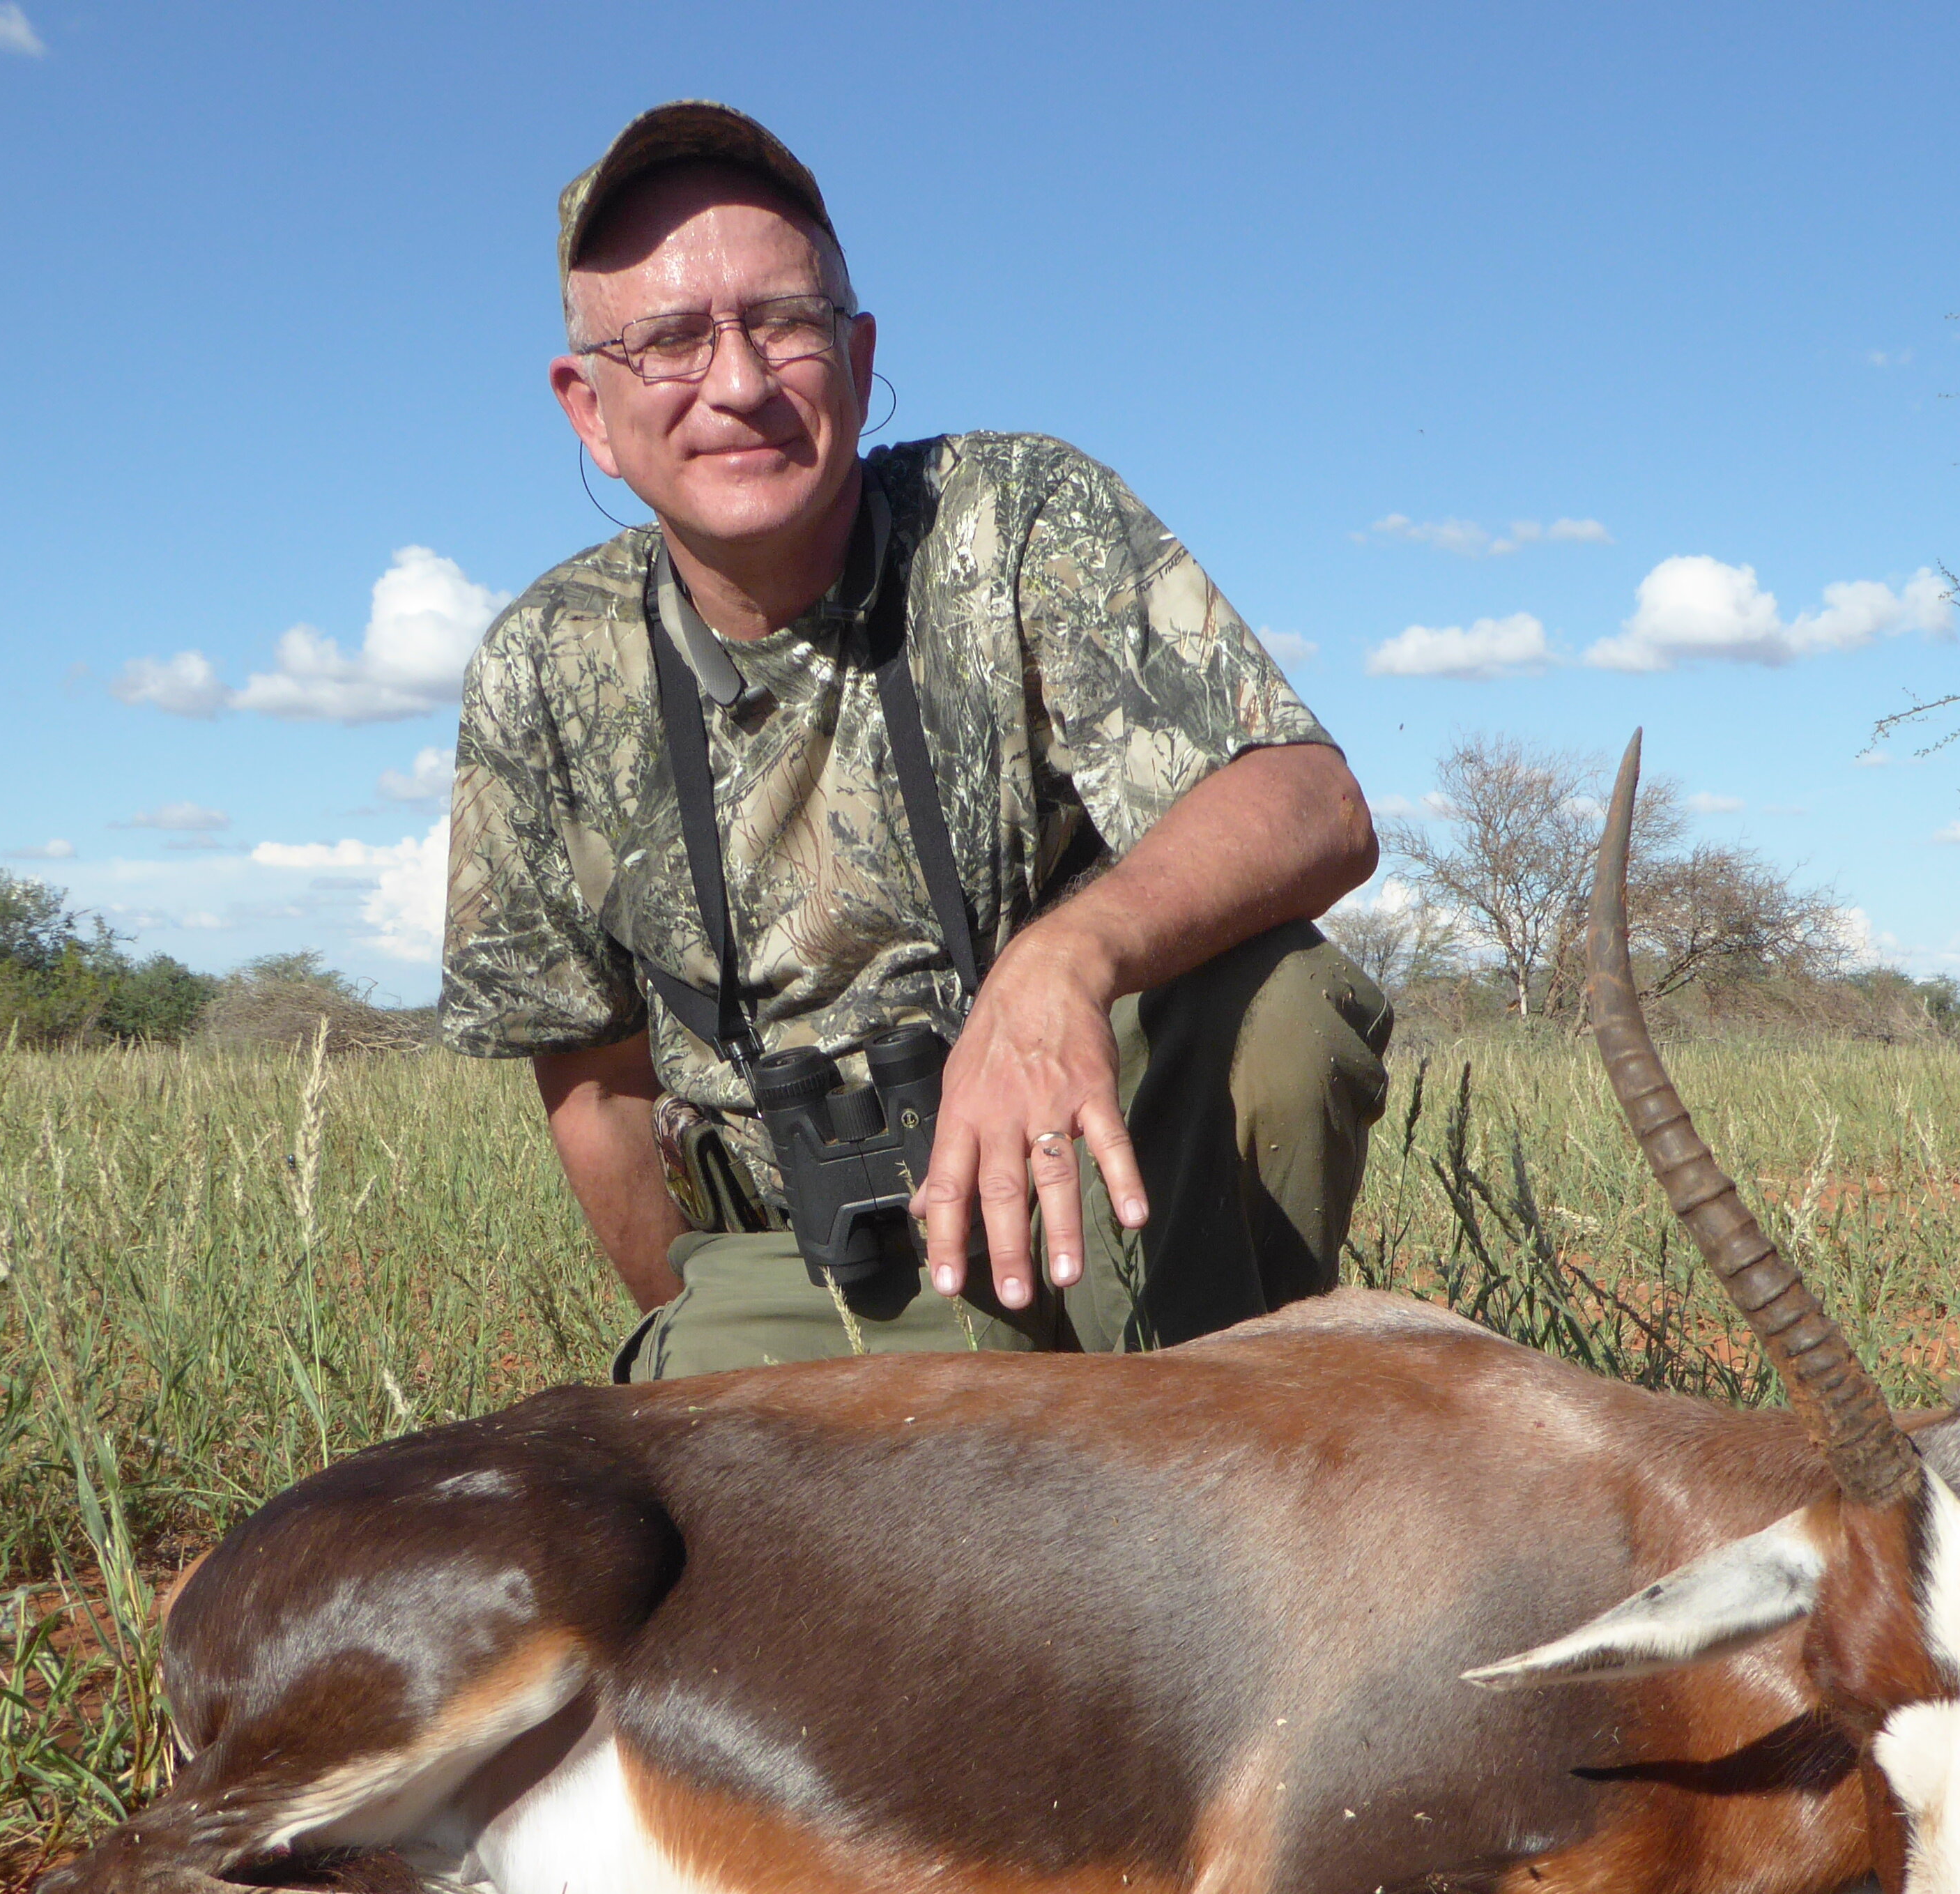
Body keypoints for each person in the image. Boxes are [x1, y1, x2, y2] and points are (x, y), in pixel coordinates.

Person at [440, 101, 1392, 1378]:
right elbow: (599, 1083)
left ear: (858, 349)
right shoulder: (538, 668)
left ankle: (1214, 1418)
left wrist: (1065, 959)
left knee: (1285, 1009)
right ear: (588, 409)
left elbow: (1312, 799)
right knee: (678, 1497)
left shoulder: (1015, 513)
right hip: (809, 1268)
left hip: (1105, 1216)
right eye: (668, 340)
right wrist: (695, 1322)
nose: (737, 382)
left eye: (783, 321)